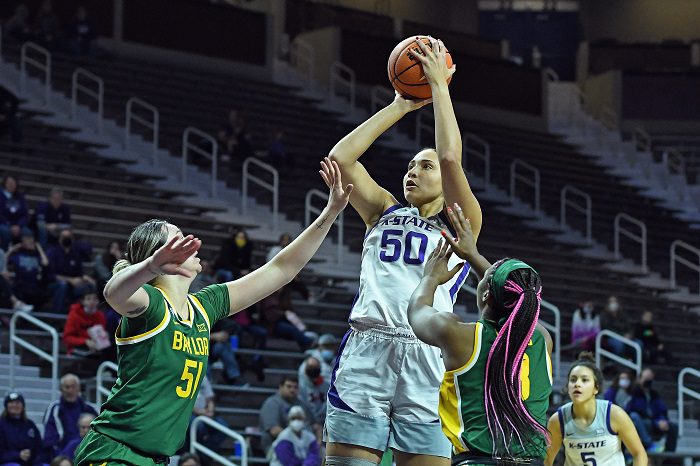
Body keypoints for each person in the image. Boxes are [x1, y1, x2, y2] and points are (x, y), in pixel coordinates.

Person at [72, 159, 351, 465]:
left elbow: (281, 269)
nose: (191, 243)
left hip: (156, 458)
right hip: (115, 452)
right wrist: (150, 267)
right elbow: (113, 293)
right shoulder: (151, 304)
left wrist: (331, 213)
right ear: (159, 255)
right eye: (178, 237)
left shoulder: (205, 305)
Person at [325, 37, 481, 466]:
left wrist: (439, 89)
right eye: (410, 165)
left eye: (423, 166)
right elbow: (340, 159)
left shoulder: (460, 220)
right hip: (368, 348)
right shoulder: (383, 210)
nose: (413, 171)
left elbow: (451, 160)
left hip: (428, 353)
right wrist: (401, 105)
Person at [408, 204, 552, 465]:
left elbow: (416, 311)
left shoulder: (459, 335)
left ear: (486, 293)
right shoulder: (543, 340)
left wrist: (430, 277)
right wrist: (473, 255)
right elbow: (517, 301)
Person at [544, 353, 647, 466]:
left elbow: (639, 454)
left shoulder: (614, 414)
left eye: (584, 380)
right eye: (573, 380)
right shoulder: (557, 420)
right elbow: (546, 461)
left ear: (596, 388)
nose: (577, 384)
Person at [6, 229, 64, 311]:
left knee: (59, 286)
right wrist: (12, 250)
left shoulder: (37, 255)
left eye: (31, 239)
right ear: (22, 241)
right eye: (27, 239)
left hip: (36, 288)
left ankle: (55, 315)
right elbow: (4, 261)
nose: (30, 241)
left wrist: (38, 247)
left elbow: (45, 263)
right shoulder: (18, 255)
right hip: (21, 288)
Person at [43, 374, 98, 459]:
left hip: (88, 454)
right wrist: (62, 459)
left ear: (79, 388)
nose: (70, 390)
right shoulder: (54, 409)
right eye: (67, 387)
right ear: (61, 389)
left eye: (73, 387)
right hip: (62, 457)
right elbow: (49, 440)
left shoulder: (89, 409)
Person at [259, 377, 319, 455]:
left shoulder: (301, 404)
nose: (292, 390)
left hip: (304, 445)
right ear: (280, 387)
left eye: (295, 387)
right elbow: (274, 430)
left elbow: (315, 425)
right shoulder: (272, 403)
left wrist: (318, 441)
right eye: (289, 386)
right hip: (278, 445)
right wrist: (298, 441)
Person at [626, 368, 678, 453]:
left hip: (655, 422)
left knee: (673, 427)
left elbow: (662, 410)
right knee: (637, 417)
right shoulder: (633, 392)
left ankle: (668, 456)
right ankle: (649, 445)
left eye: (650, 379)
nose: (648, 382)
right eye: (646, 379)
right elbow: (631, 410)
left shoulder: (654, 394)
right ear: (639, 379)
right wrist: (656, 422)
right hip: (641, 422)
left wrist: (662, 420)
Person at [46, 229, 96, 309]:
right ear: (59, 238)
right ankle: (57, 314)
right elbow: (51, 275)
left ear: (72, 239)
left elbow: (79, 273)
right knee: (63, 285)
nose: (66, 239)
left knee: (89, 285)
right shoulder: (52, 252)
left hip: (72, 286)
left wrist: (84, 278)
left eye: (68, 237)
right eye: (64, 237)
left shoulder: (76, 254)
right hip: (54, 285)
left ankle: (81, 312)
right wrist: (70, 280)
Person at [62, 286, 109, 356]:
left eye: (95, 299)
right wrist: (85, 341)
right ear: (82, 301)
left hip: (96, 349)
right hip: (77, 348)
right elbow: (67, 337)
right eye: (88, 299)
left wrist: (105, 336)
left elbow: (102, 332)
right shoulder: (74, 314)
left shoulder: (100, 315)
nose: (92, 302)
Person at [0, 392, 43, 466]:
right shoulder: (1, 424)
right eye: (11, 402)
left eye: (18, 402)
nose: (15, 405)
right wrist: (18, 455)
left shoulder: (30, 425)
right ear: (6, 406)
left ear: (23, 406)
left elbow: (39, 448)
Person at [298, 356, 330, 425]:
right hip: (307, 422)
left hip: (325, 421)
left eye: (315, 367)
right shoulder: (300, 386)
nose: (313, 370)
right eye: (310, 367)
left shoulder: (327, 386)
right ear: (306, 369)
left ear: (320, 369)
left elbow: (327, 404)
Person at [0, 176, 29, 249]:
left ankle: (22, 256)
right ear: (4, 184)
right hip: (3, 223)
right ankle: (4, 255)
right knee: (5, 232)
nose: (11, 185)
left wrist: (19, 225)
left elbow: (24, 214)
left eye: (13, 183)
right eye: (9, 183)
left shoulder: (20, 197)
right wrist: (9, 225)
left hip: (18, 225)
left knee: (28, 233)